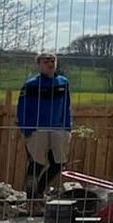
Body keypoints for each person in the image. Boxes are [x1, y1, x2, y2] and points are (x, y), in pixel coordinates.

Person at [16, 53, 72, 199]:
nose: (50, 64)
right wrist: (26, 130)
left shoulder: (63, 82)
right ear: (39, 65)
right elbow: (22, 109)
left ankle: (39, 191)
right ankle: (30, 197)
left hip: (58, 129)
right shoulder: (31, 85)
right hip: (37, 129)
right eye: (46, 61)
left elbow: (66, 106)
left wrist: (67, 127)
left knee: (58, 163)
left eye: (53, 61)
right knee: (36, 164)